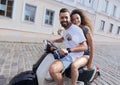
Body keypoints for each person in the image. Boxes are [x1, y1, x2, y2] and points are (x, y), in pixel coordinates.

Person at [48, 8, 87, 85]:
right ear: (59, 18)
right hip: (67, 54)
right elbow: (63, 39)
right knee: (52, 57)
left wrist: (68, 50)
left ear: (70, 18)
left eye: (66, 17)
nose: (64, 19)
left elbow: (84, 46)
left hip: (74, 56)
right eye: (62, 17)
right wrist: (53, 41)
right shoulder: (65, 30)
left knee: (53, 70)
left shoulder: (76, 30)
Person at [57, 8, 95, 85]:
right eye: (73, 19)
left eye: (77, 18)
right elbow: (65, 34)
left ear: (81, 18)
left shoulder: (85, 29)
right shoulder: (73, 29)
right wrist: (61, 29)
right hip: (76, 53)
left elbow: (91, 46)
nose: (75, 21)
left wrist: (90, 63)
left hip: (85, 55)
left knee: (74, 66)